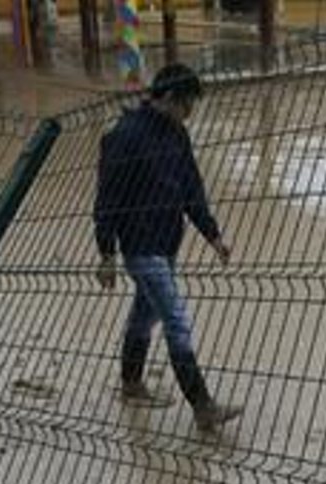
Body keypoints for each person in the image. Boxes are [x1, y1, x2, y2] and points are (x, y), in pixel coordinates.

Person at [94, 62, 243, 433]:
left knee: (145, 315)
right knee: (176, 319)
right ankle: (203, 406)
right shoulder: (125, 136)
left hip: (166, 242)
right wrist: (106, 253)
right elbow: (107, 197)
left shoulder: (177, 134)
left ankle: (131, 383)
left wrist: (214, 236)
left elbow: (191, 189)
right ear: (171, 98)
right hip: (140, 246)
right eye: (188, 104)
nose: (190, 113)